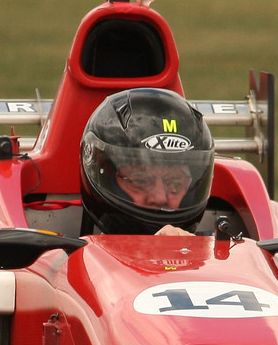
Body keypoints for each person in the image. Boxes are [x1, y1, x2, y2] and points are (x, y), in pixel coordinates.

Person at [80, 87, 215, 236]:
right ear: (106, 177)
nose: (160, 198)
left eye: (175, 184)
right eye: (140, 181)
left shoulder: (224, 254)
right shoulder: (58, 255)